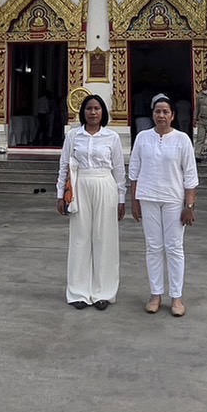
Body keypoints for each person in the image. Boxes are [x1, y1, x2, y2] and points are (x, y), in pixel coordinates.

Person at [129, 94, 199, 317]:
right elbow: (134, 172)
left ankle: (176, 297)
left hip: (173, 200)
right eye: (157, 111)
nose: (161, 115)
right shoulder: (142, 138)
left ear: (172, 116)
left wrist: (189, 205)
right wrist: (134, 201)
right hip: (148, 197)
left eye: (165, 112)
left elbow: (190, 175)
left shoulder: (182, 140)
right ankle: (155, 294)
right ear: (153, 114)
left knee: (174, 248)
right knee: (153, 247)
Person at [56, 94, 126, 310]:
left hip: (105, 184)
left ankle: (103, 292)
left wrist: (121, 198)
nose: (93, 112)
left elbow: (119, 170)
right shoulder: (73, 136)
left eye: (97, 108)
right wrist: (60, 193)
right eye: (89, 109)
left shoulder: (112, 137)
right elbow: (64, 165)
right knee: (80, 238)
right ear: (82, 112)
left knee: (104, 238)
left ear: (103, 112)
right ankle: (78, 291)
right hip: (80, 185)